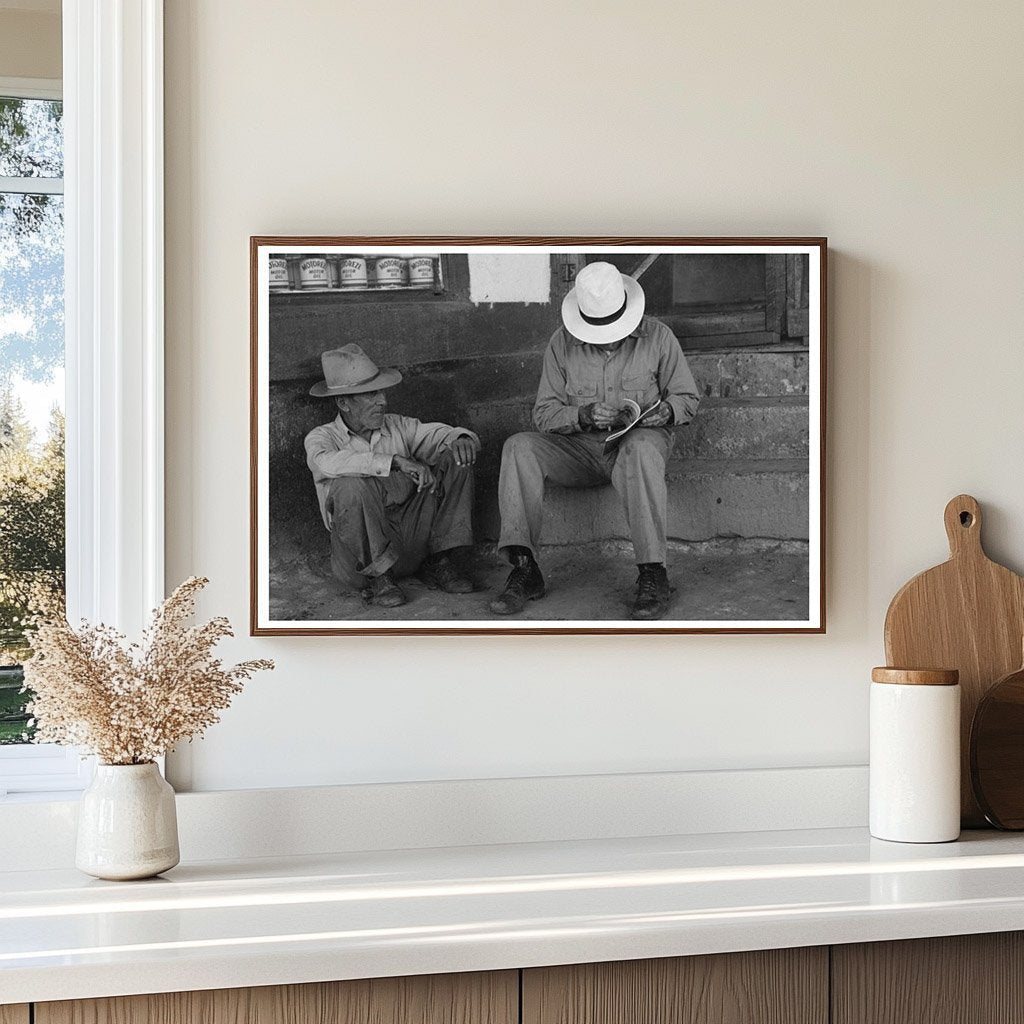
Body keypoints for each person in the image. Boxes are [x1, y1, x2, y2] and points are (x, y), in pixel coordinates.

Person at [489, 261, 700, 620]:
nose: (608, 337)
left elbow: (688, 399)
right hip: (582, 449)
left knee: (641, 448)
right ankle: (525, 568)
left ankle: (652, 572)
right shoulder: (561, 344)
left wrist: (666, 411)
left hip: (637, 446)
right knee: (518, 446)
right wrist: (581, 415)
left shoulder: (659, 337)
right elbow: (543, 414)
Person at [304, 344, 481, 608]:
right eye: (371, 394)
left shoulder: (396, 425)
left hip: (411, 541)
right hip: (359, 561)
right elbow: (327, 463)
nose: (383, 401)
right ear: (343, 402)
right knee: (351, 485)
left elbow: (438, 434)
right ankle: (380, 580)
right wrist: (394, 462)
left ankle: (441, 561)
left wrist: (461, 438)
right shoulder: (322, 437)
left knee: (456, 458)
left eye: (382, 392)